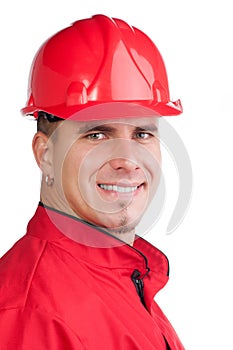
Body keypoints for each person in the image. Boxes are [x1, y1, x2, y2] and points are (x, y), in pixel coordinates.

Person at [0, 14, 185, 349]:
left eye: (142, 133)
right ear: (46, 154)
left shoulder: (122, 279)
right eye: (97, 134)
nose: (127, 160)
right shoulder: (33, 313)